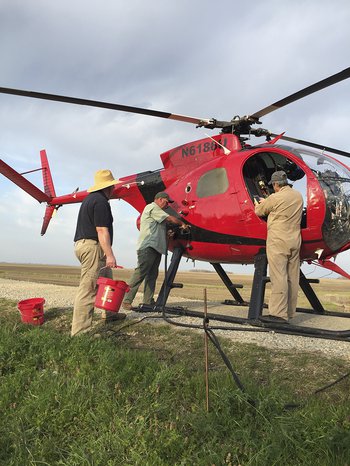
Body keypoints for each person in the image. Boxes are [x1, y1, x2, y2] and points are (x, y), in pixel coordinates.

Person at [71, 169, 123, 336]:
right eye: (112, 187)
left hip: (85, 245)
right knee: (89, 288)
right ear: (108, 187)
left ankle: (110, 314)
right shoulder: (100, 202)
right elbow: (101, 230)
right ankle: (80, 332)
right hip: (93, 247)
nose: (114, 190)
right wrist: (110, 254)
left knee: (107, 280)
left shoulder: (89, 199)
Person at [122, 191, 189, 310]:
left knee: (152, 276)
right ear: (159, 199)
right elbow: (169, 218)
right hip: (148, 247)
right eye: (166, 202)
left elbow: (158, 228)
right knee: (140, 273)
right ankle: (127, 300)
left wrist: (167, 233)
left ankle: (148, 301)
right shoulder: (152, 207)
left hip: (156, 248)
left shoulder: (157, 214)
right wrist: (182, 224)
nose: (167, 205)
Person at [254, 170, 304, 324]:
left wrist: (259, 202)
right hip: (295, 240)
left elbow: (259, 211)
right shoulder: (298, 196)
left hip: (278, 241)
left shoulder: (275, 197)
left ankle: (278, 314)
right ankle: (289, 312)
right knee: (292, 277)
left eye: (273, 185)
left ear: (276, 184)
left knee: (278, 276)